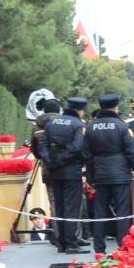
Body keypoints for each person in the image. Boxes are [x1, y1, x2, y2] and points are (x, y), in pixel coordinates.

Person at [82, 94, 134, 256]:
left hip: (100, 174)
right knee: (122, 211)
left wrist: (91, 176)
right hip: (120, 174)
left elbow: (86, 154)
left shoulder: (91, 127)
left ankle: (99, 248)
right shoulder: (122, 126)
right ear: (116, 107)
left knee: (100, 212)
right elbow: (132, 152)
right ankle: (122, 246)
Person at [38, 97, 87, 253]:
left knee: (58, 207)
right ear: (79, 110)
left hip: (54, 171)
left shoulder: (51, 124)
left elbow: (42, 145)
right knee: (71, 208)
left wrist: (50, 162)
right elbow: (77, 147)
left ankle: (61, 243)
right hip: (71, 171)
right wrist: (61, 161)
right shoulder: (78, 124)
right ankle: (71, 243)